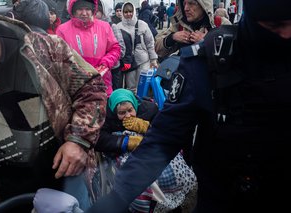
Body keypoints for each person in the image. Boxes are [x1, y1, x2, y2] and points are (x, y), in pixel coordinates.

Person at [86, 0, 291, 212]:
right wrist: (119, 195)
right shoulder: (212, 58)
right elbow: (164, 138)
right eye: (275, 26)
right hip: (224, 195)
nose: (286, 35)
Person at [0, 6, 107, 211]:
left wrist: (79, 140)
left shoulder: (42, 48)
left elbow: (92, 89)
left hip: (67, 183)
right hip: (4, 201)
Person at [93, 88, 197, 212]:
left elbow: (163, 130)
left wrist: (145, 126)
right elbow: (99, 139)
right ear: (115, 112)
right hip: (122, 150)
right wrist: (126, 142)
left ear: (135, 105)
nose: (128, 115)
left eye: (130, 110)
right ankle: (145, 204)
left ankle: (173, 199)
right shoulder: (105, 116)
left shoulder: (150, 109)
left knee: (168, 169)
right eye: (122, 113)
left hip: (149, 144)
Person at [56, 0, 121, 97]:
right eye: (79, 9)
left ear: (93, 10)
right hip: (75, 86)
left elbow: (115, 49)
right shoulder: (62, 30)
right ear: (73, 10)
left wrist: (105, 63)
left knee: (102, 110)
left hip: (102, 83)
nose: (84, 13)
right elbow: (58, 56)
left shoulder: (104, 27)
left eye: (87, 9)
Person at [116, 1, 158, 94]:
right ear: (123, 13)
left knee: (143, 87)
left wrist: (153, 59)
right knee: (131, 88)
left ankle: (142, 106)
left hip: (143, 61)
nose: (128, 14)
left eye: (130, 11)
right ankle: (133, 106)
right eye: (126, 12)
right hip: (128, 63)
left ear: (134, 11)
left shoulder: (142, 24)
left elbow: (150, 43)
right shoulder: (118, 27)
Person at [96, 0, 125, 91]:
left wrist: (107, 61)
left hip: (113, 70)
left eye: (96, 12)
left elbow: (121, 49)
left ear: (103, 12)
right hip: (95, 71)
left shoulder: (112, 26)